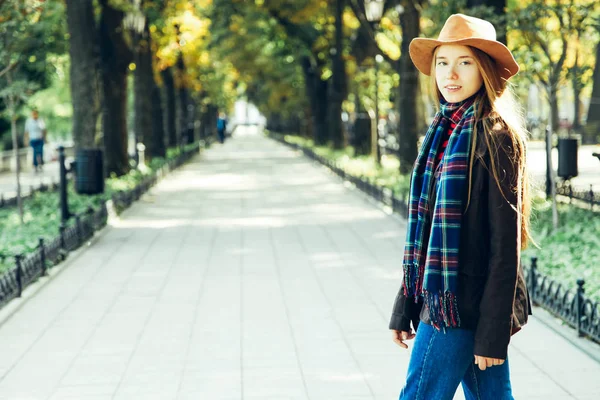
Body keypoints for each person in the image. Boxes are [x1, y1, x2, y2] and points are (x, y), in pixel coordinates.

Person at [389, 14, 533, 400]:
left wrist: (491, 332)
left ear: (484, 69)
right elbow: (424, 232)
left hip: (458, 308)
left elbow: (505, 248)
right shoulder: (442, 132)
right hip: (445, 299)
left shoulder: (496, 136)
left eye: (464, 62)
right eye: (442, 63)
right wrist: (405, 305)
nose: (450, 74)